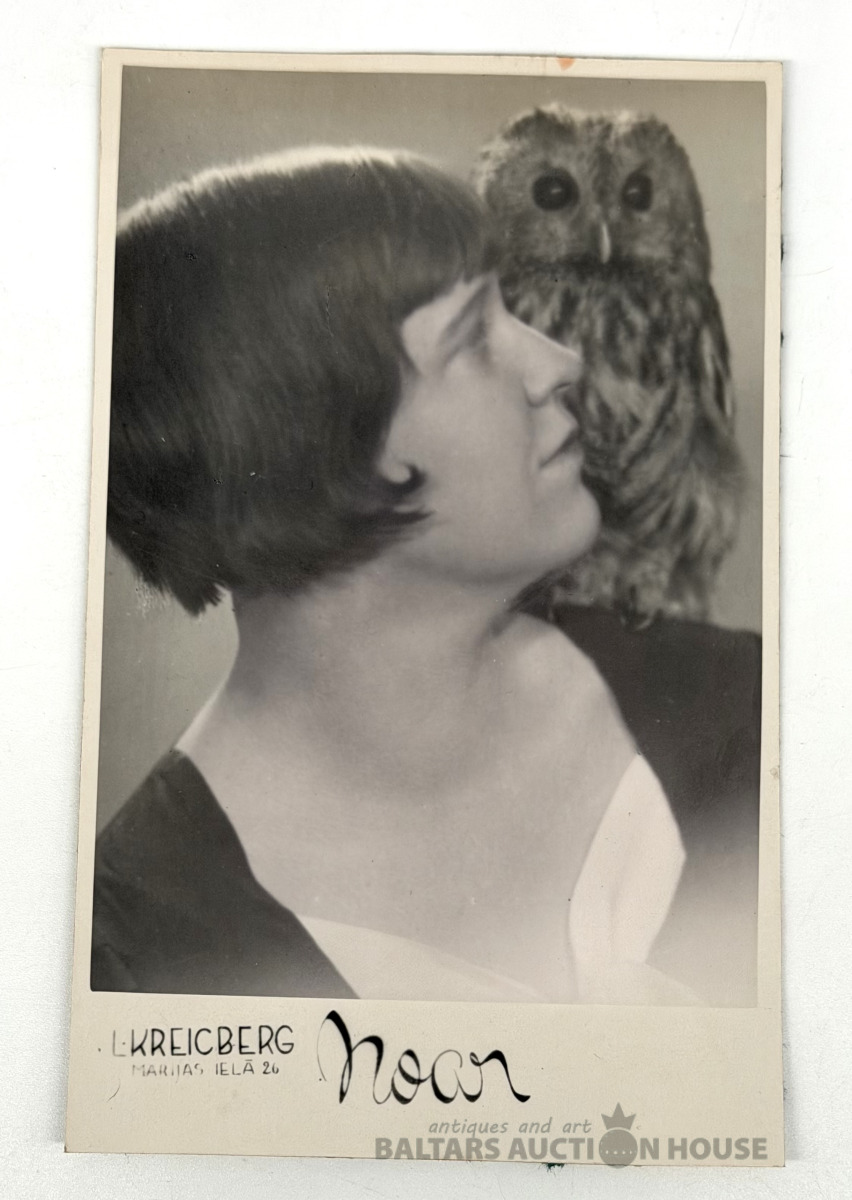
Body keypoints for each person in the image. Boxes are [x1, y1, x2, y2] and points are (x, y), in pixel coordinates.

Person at [92, 147, 759, 1006]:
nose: (559, 362)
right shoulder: (134, 959)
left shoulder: (748, 705)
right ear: (316, 445)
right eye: (473, 336)